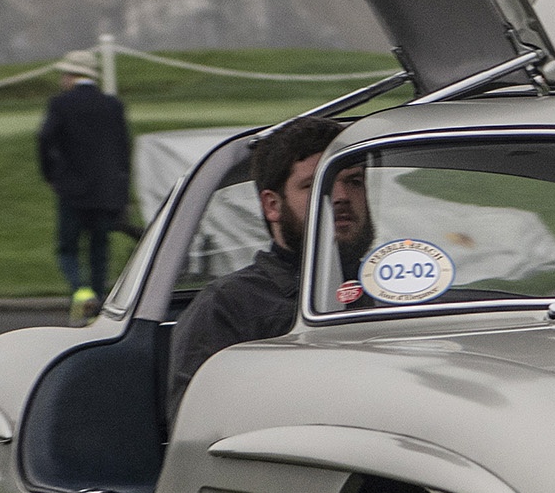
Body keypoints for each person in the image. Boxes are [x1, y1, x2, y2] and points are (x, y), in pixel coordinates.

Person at [167, 117, 372, 413]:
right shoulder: (228, 306)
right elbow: (199, 428)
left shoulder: (393, 289)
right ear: (272, 205)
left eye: (353, 182)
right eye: (315, 185)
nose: (340, 197)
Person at [37, 49, 132, 320]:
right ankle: (98, 301)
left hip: (72, 190)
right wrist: (122, 193)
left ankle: (81, 292)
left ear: (70, 75)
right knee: (99, 249)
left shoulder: (60, 104)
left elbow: (45, 139)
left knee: (68, 248)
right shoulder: (113, 105)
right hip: (106, 191)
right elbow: (123, 151)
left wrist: (51, 174)